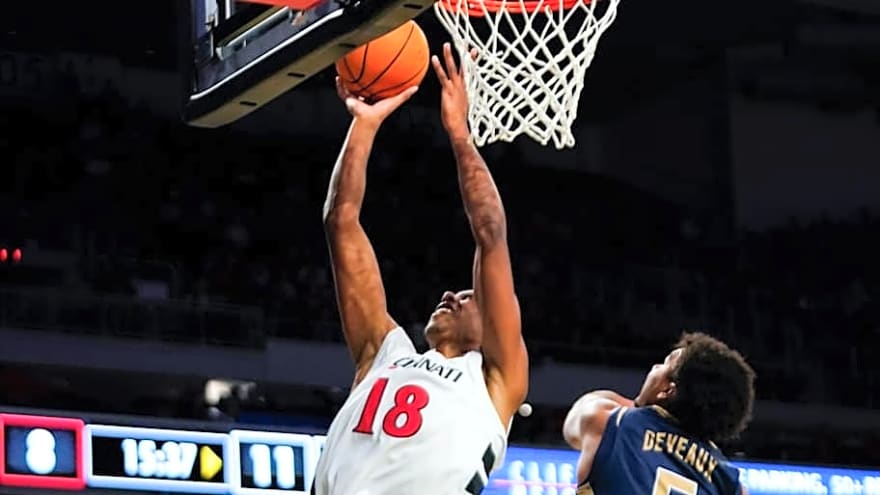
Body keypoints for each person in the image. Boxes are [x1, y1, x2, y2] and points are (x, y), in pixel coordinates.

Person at [313, 42, 529, 495]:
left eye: (468, 297)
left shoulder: (495, 379)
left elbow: (490, 233)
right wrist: (364, 125)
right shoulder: (384, 352)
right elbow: (341, 222)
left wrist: (460, 137)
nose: (451, 294)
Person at [562, 332, 755, 495]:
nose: (654, 367)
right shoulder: (731, 482)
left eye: (664, 365)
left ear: (667, 391)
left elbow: (575, 420)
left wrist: (641, 405)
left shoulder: (609, 421)